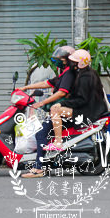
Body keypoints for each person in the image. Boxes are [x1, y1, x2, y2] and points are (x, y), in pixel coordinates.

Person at [20, 45, 75, 178]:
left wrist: (43, 102)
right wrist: (26, 87)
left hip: (63, 111)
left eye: (60, 59)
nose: (56, 61)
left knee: (41, 134)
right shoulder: (65, 73)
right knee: (43, 134)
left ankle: (39, 168)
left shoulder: (69, 74)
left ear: (66, 60)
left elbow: (62, 92)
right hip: (60, 110)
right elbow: (47, 83)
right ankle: (45, 164)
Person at [45, 49, 108, 152]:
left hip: (87, 112)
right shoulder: (90, 73)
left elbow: (81, 100)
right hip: (93, 109)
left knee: (55, 110)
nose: (70, 63)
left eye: (73, 61)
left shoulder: (85, 77)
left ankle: (58, 142)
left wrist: (61, 103)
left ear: (80, 63)